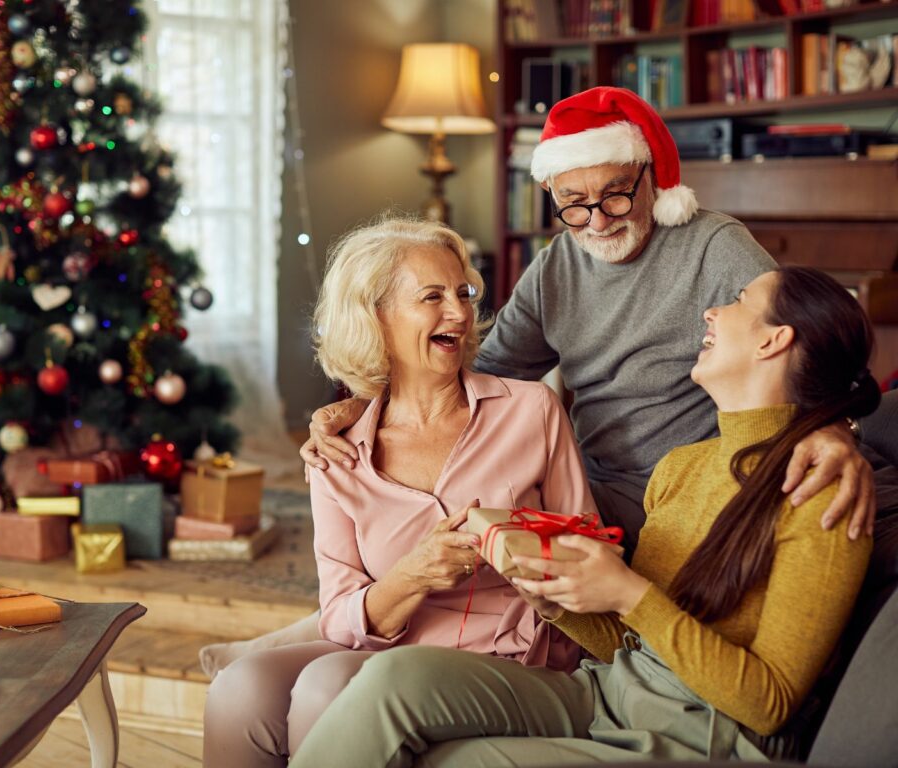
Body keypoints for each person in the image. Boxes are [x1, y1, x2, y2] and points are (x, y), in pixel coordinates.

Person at [287, 265, 880, 767]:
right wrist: (546, 589)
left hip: (705, 734)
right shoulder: (684, 467)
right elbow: (627, 641)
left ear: (773, 341)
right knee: (394, 682)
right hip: (612, 691)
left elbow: (770, 703)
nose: (712, 313)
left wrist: (628, 592)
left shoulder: (824, 491)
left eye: (739, 302)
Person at [302, 86, 889, 557]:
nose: (597, 222)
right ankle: (347, 623)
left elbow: (804, 331)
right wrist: (367, 407)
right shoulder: (556, 265)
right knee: (426, 529)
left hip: (688, 485)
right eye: (573, 204)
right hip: (585, 482)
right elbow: (484, 369)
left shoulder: (714, 244)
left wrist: (831, 431)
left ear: (650, 177)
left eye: (614, 196)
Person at [203, 217, 597, 767]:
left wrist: (534, 565)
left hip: (506, 655)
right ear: (375, 318)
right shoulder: (340, 452)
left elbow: (589, 552)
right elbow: (339, 612)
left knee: (326, 684)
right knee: (238, 689)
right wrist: (414, 575)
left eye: (463, 293)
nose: (459, 313)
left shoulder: (532, 411)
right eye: (431, 297)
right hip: (386, 644)